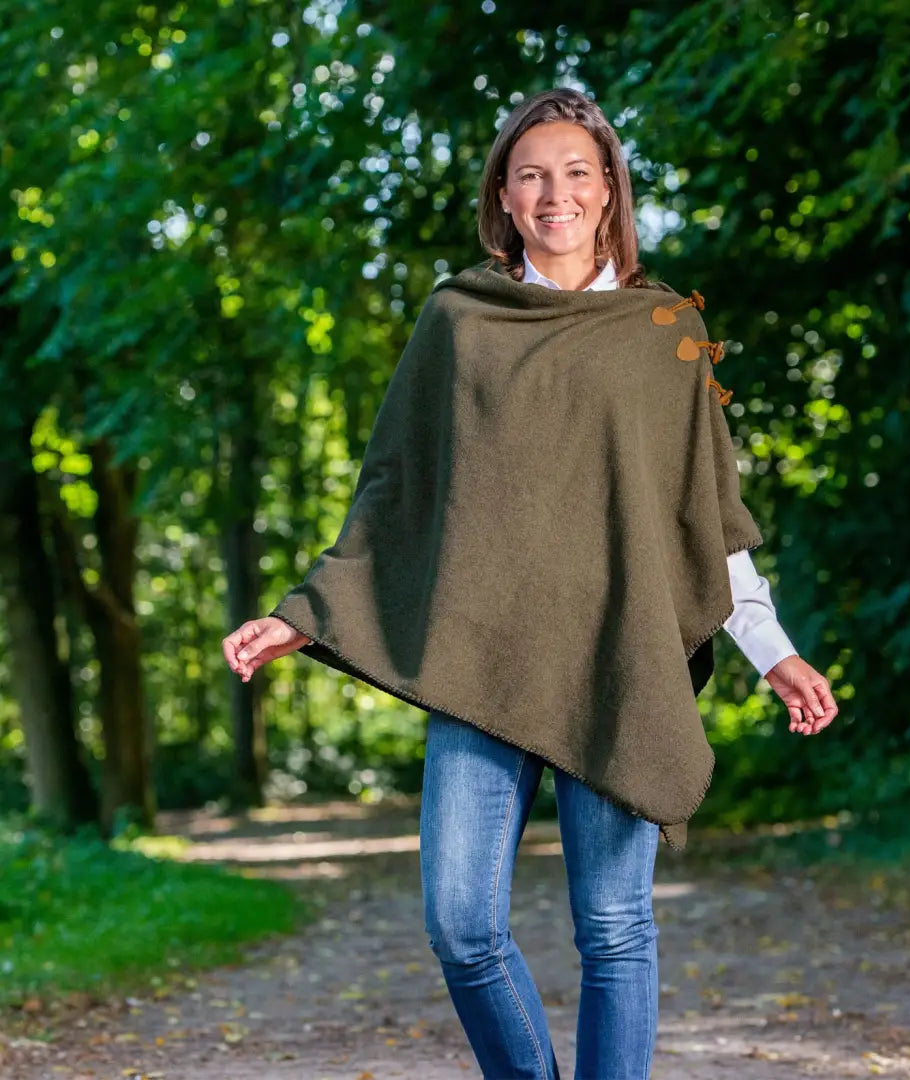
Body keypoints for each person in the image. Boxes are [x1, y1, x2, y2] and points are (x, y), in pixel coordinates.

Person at [223, 88, 838, 1080]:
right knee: (461, 926)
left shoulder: (664, 329)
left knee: (615, 930)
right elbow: (395, 493)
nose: (556, 193)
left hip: (621, 663)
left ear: (609, 194)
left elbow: (704, 514)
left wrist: (772, 649)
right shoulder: (458, 320)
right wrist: (305, 616)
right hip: (483, 660)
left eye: (577, 173)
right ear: (504, 196)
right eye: (532, 174)